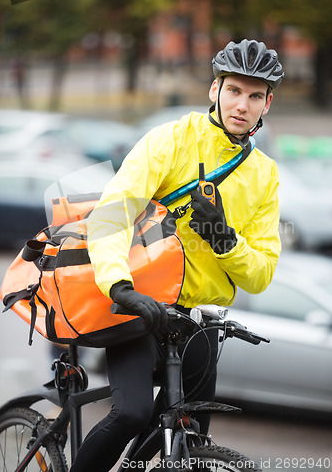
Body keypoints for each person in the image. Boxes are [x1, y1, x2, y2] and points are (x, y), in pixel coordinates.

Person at [70, 39, 284, 472]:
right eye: (234, 91)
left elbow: (260, 275)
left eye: (255, 95)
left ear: (267, 103)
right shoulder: (171, 140)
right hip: (141, 305)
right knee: (129, 414)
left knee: (191, 439)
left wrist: (224, 239)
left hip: (200, 320)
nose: (242, 104)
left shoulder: (264, 175)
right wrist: (120, 286)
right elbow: (110, 216)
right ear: (214, 90)